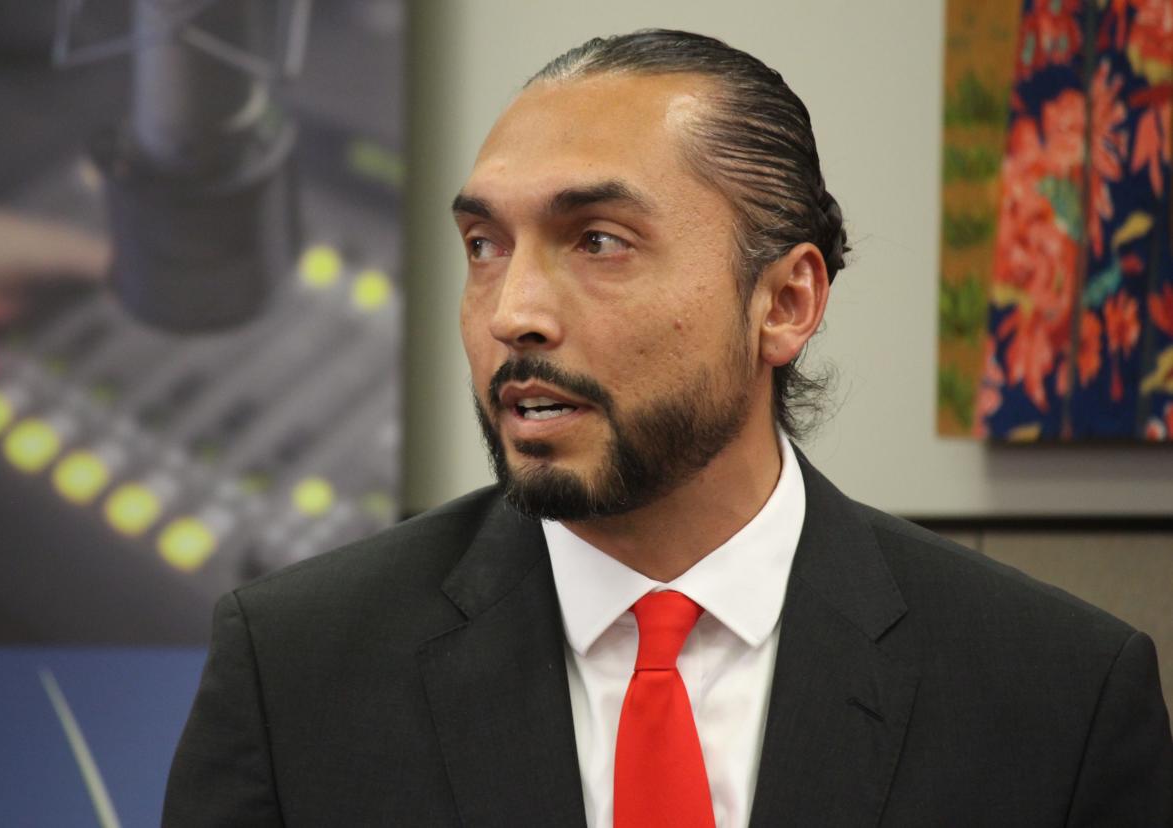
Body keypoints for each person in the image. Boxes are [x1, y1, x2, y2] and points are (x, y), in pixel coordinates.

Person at [163, 30, 1172, 827]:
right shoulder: (299, 673)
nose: (513, 310)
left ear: (783, 303)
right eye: (483, 244)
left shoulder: (1054, 695)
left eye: (598, 241)